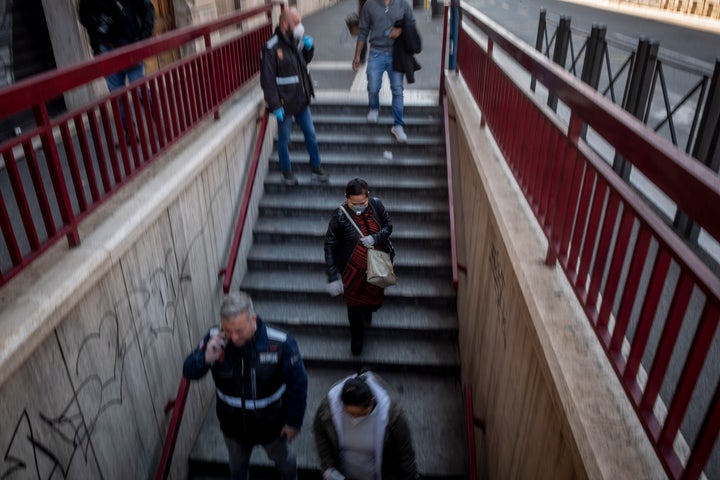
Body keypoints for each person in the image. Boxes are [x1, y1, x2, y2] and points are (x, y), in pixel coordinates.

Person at [183, 292, 308, 480]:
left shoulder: (281, 343)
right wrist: (206, 358)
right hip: (232, 427)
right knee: (237, 467)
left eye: (239, 331)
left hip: (271, 425)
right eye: (227, 330)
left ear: (253, 319)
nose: (233, 337)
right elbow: (189, 371)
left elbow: (298, 384)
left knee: (284, 461)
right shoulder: (214, 338)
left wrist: (293, 422)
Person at [324, 178, 394, 355]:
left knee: (373, 297)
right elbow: (330, 243)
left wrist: (376, 238)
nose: (359, 206)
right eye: (353, 203)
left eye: (362, 202)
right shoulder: (340, 215)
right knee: (353, 305)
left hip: (376, 263)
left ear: (368, 196)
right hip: (352, 270)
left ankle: (368, 310)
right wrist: (332, 276)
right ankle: (357, 337)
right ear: (346, 198)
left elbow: (388, 226)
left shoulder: (377, 205)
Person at [261, 8, 329, 186]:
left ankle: (316, 166)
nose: (300, 27)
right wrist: (275, 105)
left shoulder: (295, 41)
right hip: (285, 104)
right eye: (296, 23)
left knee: (311, 135)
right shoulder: (271, 47)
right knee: (284, 140)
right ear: (285, 24)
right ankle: (286, 171)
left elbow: (302, 63)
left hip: (301, 100)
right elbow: (267, 80)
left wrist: (309, 49)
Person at [313, 370, 419, 480]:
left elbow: (405, 454)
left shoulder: (393, 416)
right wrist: (328, 467)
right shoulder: (328, 410)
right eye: (351, 414)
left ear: (372, 401)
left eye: (361, 414)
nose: (355, 418)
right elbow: (321, 435)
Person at [79, 0, 155, 142]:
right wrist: (97, 48)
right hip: (107, 50)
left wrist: (143, 38)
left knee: (139, 89)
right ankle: (130, 133)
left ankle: (156, 119)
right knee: (117, 96)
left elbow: (147, 8)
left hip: (130, 46)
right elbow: (84, 18)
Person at [352, 0, 416, 143]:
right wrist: (357, 55)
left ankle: (398, 125)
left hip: (397, 54)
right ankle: (374, 107)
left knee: (397, 90)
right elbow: (363, 31)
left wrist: (400, 30)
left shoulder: (403, 5)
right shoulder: (369, 5)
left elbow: (411, 23)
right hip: (376, 53)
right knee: (373, 87)